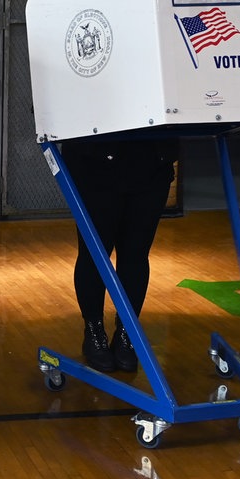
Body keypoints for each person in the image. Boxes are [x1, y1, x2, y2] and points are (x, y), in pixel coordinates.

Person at [61, 136, 177, 373]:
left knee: (136, 253)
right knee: (94, 253)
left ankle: (127, 332)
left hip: (152, 160)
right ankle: (94, 331)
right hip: (95, 160)